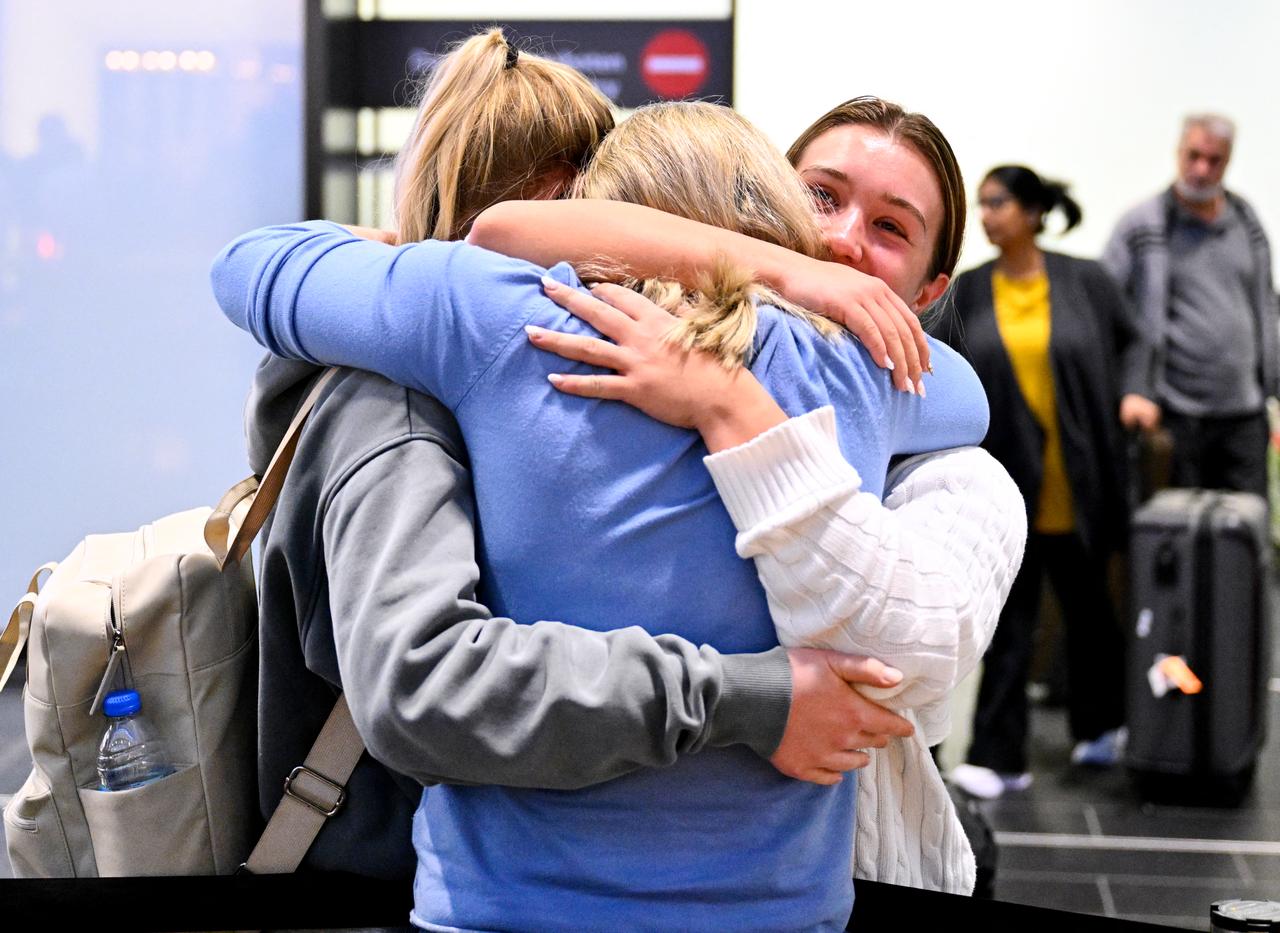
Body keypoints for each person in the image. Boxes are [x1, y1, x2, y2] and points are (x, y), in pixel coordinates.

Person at [213, 98, 1013, 929]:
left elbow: (248, 266)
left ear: (600, 205)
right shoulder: (862, 369)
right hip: (778, 910)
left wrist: (749, 270)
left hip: (505, 910)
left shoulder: (492, 315)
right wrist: (786, 285)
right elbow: (970, 398)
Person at [465, 96, 1025, 892]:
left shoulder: (952, 459)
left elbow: (905, 653)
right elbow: (503, 231)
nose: (839, 238)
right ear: (760, 193)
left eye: (891, 228)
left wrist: (729, 404)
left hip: (829, 864)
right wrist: (777, 269)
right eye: (821, 197)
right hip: (569, 849)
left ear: (930, 291)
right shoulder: (616, 331)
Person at [939, 166, 1139, 799]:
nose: (987, 214)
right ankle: (1000, 757)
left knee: (1090, 616)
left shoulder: (1086, 281)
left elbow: (1134, 345)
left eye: (997, 202)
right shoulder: (969, 292)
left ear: (1029, 212)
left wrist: (1136, 394)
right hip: (1010, 486)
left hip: (1080, 484)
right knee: (1009, 625)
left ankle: (1102, 726)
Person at [1103, 113, 1278, 498]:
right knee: (1179, 535)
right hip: (1173, 416)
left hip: (1244, 414)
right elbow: (1108, 315)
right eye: (1193, 156)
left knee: (1245, 532)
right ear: (1178, 153)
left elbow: (1266, 305)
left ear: (1227, 162)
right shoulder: (1142, 224)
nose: (1201, 169)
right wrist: (1134, 389)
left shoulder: (1247, 223)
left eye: (1213, 160)